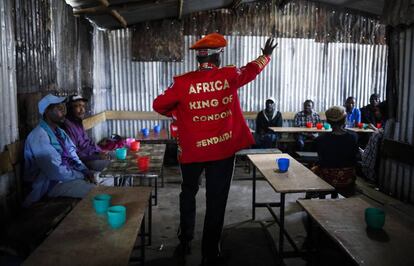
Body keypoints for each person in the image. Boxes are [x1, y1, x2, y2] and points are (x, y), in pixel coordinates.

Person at [153, 33, 277, 265]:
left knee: (187, 193)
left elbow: (158, 104)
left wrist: (179, 112)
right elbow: (251, 70)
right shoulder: (229, 75)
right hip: (221, 152)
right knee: (216, 200)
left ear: (199, 59)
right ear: (218, 55)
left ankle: (185, 241)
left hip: (191, 152)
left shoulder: (182, 82)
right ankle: (211, 252)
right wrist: (266, 56)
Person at [23, 94, 95, 207]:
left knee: (101, 180)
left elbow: (73, 155)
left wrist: (85, 171)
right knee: (96, 192)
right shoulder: (39, 136)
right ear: (47, 112)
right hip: (51, 184)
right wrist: (80, 175)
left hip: (66, 177)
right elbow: (56, 171)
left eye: (64, 108)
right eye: (59, 109)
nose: (64, 112)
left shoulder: (59, 132)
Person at [314, 106, 359, 197]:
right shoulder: (353, 137)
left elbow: (321, 159)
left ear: (328, 122)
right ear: (345, 120)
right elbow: (355, 157)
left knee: (314, 168)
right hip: (347, 178)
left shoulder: (321, 139)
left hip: (328, 178)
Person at [62, 94, 110, 172]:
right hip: (87, 161)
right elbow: (75, 155)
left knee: (119, 157)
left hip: (94, 154)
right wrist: (97, 157)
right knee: (115, 165)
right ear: (70, 108)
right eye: (78, 106)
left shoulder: (78, 122)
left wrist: (101, 151)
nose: (82, 110)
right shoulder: (67, 127)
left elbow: (88, 141)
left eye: (83, 106)